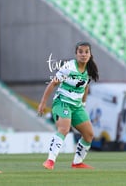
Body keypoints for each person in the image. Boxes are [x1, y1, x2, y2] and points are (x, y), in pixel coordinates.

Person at [37, 41, 99, 170]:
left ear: (90, 54)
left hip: (77, 106)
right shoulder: (69, 67)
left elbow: (85, 86)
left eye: (86, 52)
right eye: (80, 52)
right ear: (76, 54)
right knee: (64, 129)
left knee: (89, 135)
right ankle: (50, 161)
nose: (83, 54)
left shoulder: (89, 70)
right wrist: (43, 103)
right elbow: (52, 84)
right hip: (62, 102)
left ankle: (77, 163)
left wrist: (83, 103)